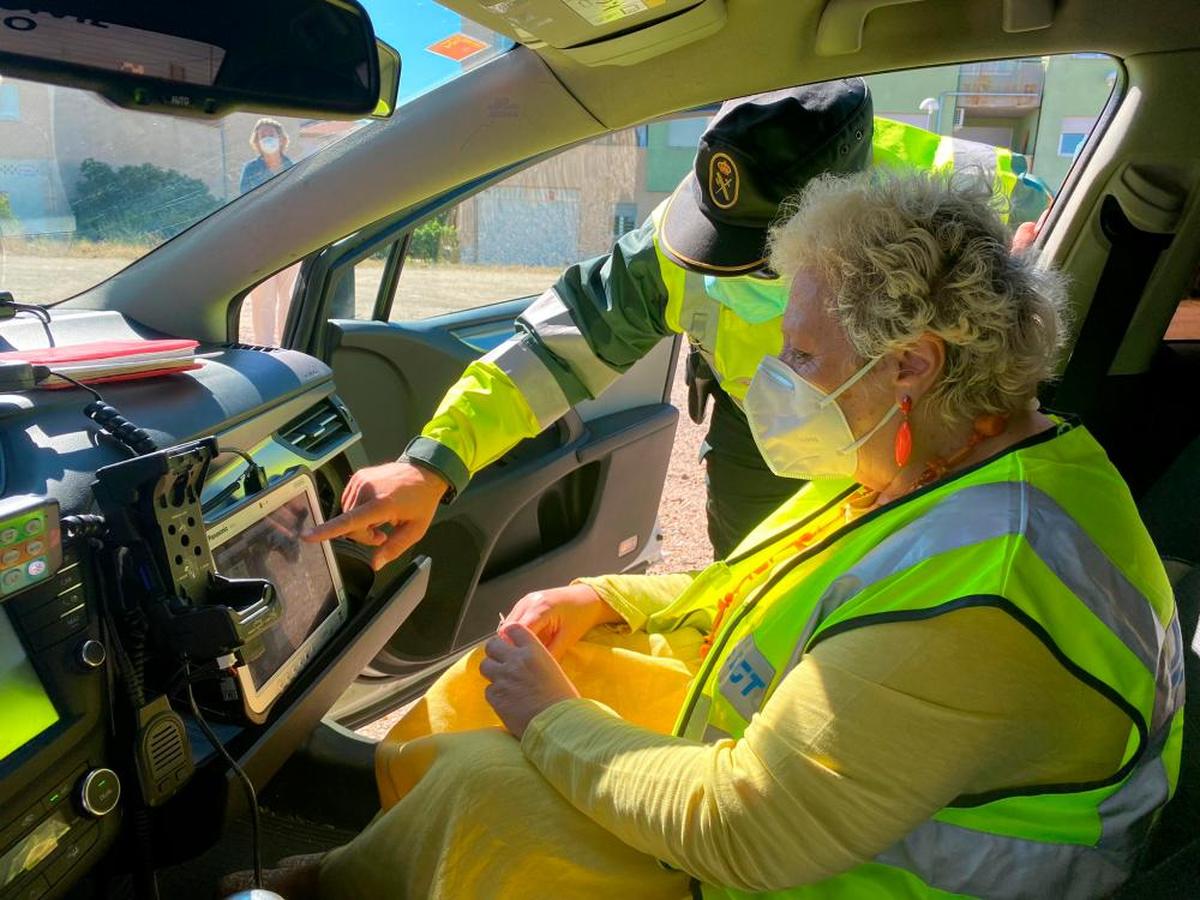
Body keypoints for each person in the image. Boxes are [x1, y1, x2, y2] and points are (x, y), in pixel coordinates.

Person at [259, 171, 1182, 898]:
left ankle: (335, 884)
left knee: (487, 792)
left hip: (844, 879)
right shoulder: (938, 463)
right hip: (837, 795)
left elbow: (747, 829)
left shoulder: (987, 584)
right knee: (519, 664)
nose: (776, 376)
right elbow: (758, 585)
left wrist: (549, 720)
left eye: (805, 354)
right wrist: (604, 595)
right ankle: (381, 848)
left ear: (910, 365)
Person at [240, 118, 298, 345]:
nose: (267, 138)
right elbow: (246, 201)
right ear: (256, 141)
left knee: (288, 298)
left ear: (282, 139)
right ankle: (263, 345)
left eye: (271, 134)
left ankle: (286, 344)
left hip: (290, 242)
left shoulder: (293, 167)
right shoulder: (251, 169)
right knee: (262, 298)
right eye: (263, 135)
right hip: (259, 242)